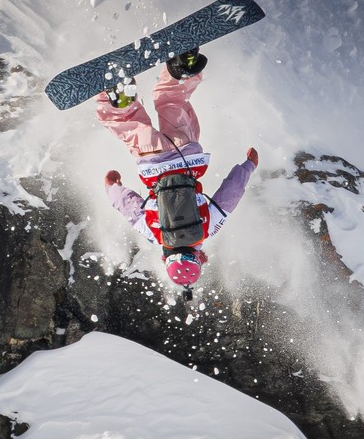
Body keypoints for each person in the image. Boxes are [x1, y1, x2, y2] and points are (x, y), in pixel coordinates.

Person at [95, 48, 258, 294]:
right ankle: (120, 95)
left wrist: (248, 166)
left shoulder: (207, 228)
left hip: (188, 156)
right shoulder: (155, 235)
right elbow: (130, 208)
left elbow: (230, 195)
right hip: (152, 162)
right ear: (165, 259)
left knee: (172, 103)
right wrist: (112, 187)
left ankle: (183, 65)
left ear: (199, 257)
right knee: (129, 123)